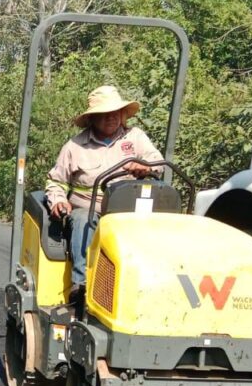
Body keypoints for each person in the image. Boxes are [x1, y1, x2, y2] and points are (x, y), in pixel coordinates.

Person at [45, 85, 163, 300]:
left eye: (115, 113)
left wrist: (146, 167)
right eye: (105, 114)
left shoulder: (135, 137)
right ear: (92, 119)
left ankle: (152, 287)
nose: (111, 118)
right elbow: (56, 182)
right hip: (90, 209)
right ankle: (82, 286)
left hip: (129, 210)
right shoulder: (75, 146)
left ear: (123, 114)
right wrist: (58, 201)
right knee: (83, 220)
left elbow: (158, 162)